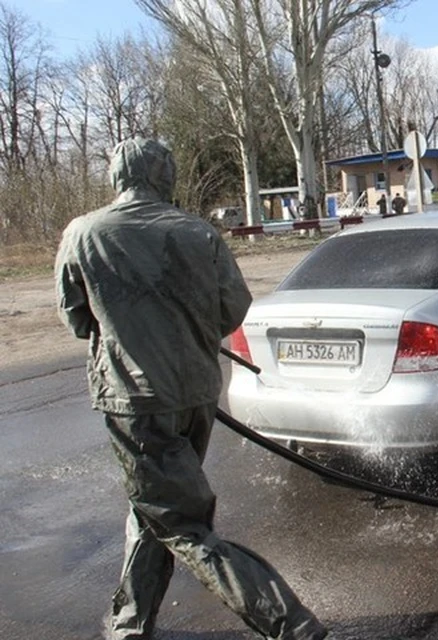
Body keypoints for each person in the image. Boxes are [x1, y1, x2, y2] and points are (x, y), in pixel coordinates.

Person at [55, 138, 328, 640]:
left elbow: (76, 320)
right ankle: (131, 622)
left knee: (181, 523)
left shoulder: (82, 234)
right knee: (154, 507)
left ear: (117, 175)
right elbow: (233, 307)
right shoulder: (199, 234)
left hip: (134, 403)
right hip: (197, 395)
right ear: (166, 177)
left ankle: (289, 622)